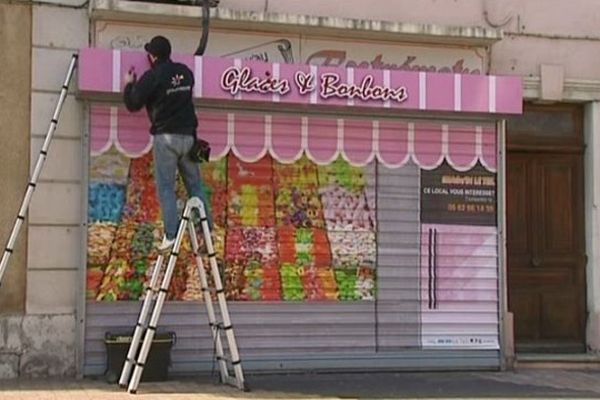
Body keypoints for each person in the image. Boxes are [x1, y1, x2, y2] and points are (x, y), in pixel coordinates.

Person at [123, 35, 210, 251]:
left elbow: (134, 104)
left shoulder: (152, 76)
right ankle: (206, 230)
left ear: (152, 56)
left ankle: (171, 235)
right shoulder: (185, 72)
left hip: (166, 138)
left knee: (166, 188)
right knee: (195, 185)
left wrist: (128, 84)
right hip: (189, 137)